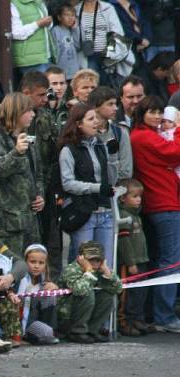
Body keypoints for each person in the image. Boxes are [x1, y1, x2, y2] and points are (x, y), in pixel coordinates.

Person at [130, 94, 180, 333]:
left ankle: (159, 313)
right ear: (142, 113)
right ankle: (164, 316)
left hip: (163, 203)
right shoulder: (144, 137)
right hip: (164, 204)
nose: (158, 116)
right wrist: (179, 128)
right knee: (170, 262)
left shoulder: (146, 135)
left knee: (164, 260)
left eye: (160, 112)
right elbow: (175, 152)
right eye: (153, 112)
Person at [0, 92, 44, 257]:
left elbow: (38, 174)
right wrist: (15, 153)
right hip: (6, 224)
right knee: (8, 270)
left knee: (32, 271)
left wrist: (40, 195)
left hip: (29, 220)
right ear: (16, 112)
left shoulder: (28, 139)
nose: (33, 115)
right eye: (28, 111)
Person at [58, 102, 118, 267]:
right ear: (78, 124)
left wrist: (113, 157)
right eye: (90, 119)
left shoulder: (100, 145)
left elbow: (111, 180)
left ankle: (105, 293)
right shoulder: (68, 150)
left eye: (96, 118)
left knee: (106, 266)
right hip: (84, 213)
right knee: (86, 266)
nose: (96, 122)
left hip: (105, 212)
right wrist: (97, 188)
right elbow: (68, 183)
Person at [57, 240, 122, 343]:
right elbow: (79, 290)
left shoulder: (100, 269)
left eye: (98, 260)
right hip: (66, 316)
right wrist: (88, 271)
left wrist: (108, 273)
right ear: (81, 258)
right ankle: (77, 332)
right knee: (87, 293)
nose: (95, 263)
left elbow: (117, 289)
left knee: (108, 295)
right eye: (91, 259)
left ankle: (92, 330)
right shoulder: (72, 270)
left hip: (83, 311)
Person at [116, 178, 153, 337]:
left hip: (141, 260)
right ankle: (126, 322)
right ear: (123, 198)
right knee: (129, 294)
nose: (138, 199)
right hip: (132, 263)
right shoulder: (125, 216)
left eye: (139, 196)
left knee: (141, 292)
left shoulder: (137, 216)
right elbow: (124, 242)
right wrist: (130, 262)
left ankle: (138, 318)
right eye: (134, 196)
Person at [76, 0, 130, 86]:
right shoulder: (76, 10)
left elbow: (117, 32)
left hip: (107, 55)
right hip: (88, 55)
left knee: (107, 84)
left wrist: (109, 52)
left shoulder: (107, 8)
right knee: (92, 84)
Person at [15, 243, 60, 345]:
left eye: (41, 263)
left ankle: (50, 330)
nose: (36, 266)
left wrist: (55, 289)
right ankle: (27, 335)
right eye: (32, 262)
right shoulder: (21, 280)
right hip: (23, 321)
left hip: (36, 319)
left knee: (51, 296)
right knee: (46, 333)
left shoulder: (44, 280)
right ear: (25, 261)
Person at [89, 85, 132, 183]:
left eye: (116, 104)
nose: (116, 108)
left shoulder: (120, 132)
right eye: (110, 104)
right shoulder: (85, 133)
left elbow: (126, 171)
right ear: (96, 107)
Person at [10, 0, 52, 87]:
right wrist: (38, 24)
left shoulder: (39, 2)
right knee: (40, 88)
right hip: (30, 59)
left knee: (47, 87)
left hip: (45, 56)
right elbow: (16, 33)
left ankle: (50, 100)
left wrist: (48, 23)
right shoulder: (14, 4)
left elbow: (46, 27)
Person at [51, 0, 82, 82]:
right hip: (61, 70)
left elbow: (78, 46)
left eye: (73, 15)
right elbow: (55, 53)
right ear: (59, 17)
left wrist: (75, 29)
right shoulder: (56, 30)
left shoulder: (72, 30)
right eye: (67, 15)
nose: (70, 18)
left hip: (74, 71)